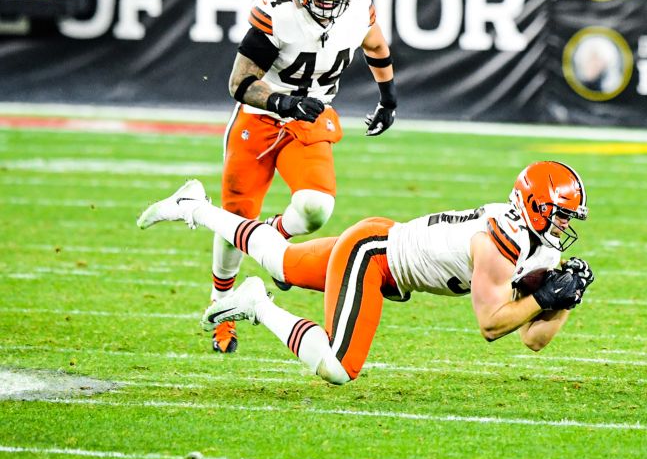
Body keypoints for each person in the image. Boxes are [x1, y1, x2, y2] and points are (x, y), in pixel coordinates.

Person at [138, 161, 594, 385]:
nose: (564, 224)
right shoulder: (500, 240)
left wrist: (564, 299)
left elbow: (532, 339)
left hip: (383, 245)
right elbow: (492, 325)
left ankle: (192, 205)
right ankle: (257, 302)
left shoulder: (541, 244)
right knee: (339, 367)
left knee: (282, 260)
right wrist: (545, 296)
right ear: (534, 205)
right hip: (374, 255)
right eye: (560, 213)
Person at [208, 0, 398, 355]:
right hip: (259, 121)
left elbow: (376, 47)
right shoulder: (278, 11)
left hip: (308, 120)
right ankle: (220, 303)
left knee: (317, 207)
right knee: (234, 219)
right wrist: (282, 100)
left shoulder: (357, 7)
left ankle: (271, 237)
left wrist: (387, 98)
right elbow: (239, 83)